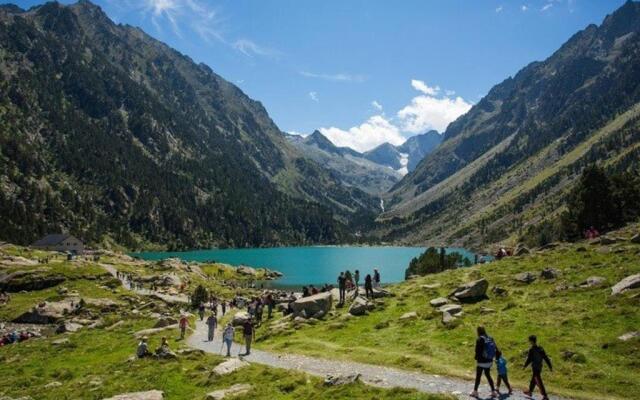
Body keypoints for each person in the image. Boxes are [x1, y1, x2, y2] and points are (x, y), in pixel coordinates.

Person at [470, 326, 498, 398]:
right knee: (488, 375)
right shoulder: (490, 338)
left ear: (478, 331)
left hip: (482, 362)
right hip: (489, 361)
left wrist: (476, 358)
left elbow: (477, 351)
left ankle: (475, 392)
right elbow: (496, 349)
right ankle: (493, 391)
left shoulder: (480, 339)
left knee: (478, 376)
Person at [523, 335, 552, 400]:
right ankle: (530, 392)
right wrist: (550, 366)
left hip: (535, 368)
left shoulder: (531, 349)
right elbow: (546, 357)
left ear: (531, 341)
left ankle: (545, 396)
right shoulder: (540, 348)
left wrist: (524, 366)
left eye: (529, 341)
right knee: (533, 380)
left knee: (538, 381)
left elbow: (529, 359)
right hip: (539, 367)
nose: (529, 342)